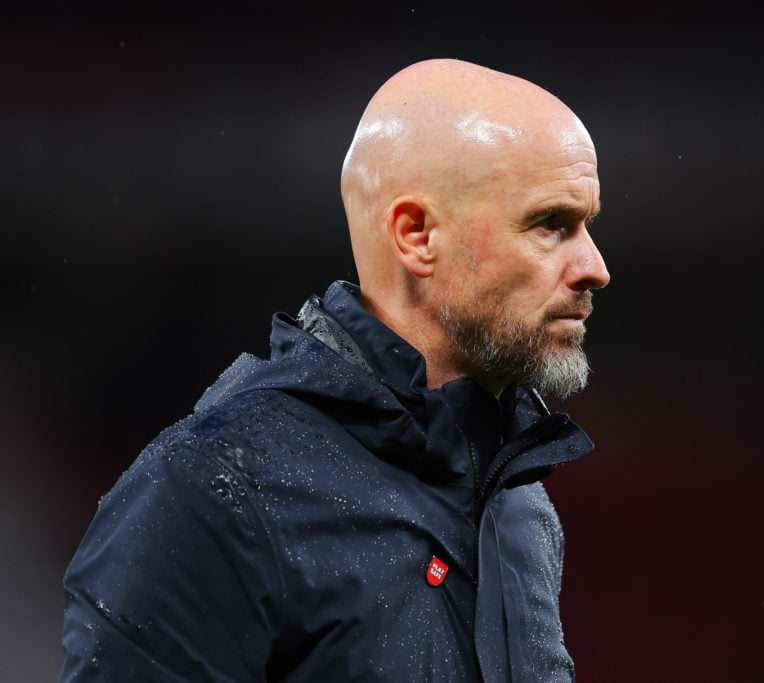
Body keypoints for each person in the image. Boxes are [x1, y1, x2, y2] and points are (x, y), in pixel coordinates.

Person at [60, 57, 610, 681]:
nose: (594, 265)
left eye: (586, 226)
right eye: (551, 225)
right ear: (417, 235)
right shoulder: (217, 486)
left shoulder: (517, 502)